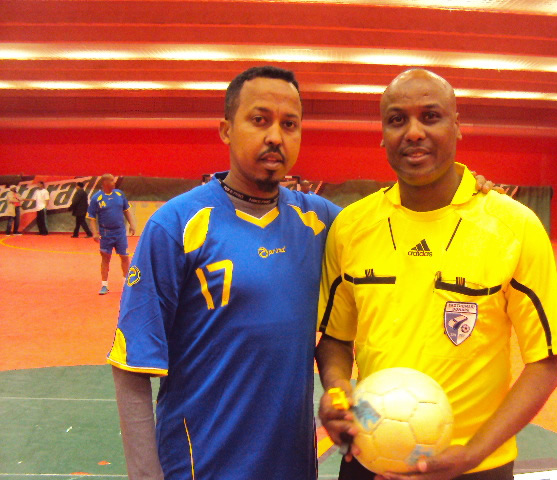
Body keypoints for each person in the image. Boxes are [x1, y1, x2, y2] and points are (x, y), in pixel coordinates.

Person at [107, 66, 496, 480]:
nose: (275, 136)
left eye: (289, 124)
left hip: (292, 466)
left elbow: (402, 222)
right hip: (200, 465)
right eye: (260, 120)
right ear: (226, 130)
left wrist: (461, 190)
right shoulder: (177, 225)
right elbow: (132, 365)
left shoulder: (324, 222)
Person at [315, 69, 557, 480]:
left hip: (475, 466)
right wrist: (336, 386)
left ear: (457, 126)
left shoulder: (514, 227)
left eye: (430, 116)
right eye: (397, 120)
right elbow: (335, 338)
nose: (414, 132)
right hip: (369, 455)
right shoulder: (350, 227)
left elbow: (547, 360)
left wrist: (473, 453)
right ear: (382, 135)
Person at [87, 174, 136, 295]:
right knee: (105, 258)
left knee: (124, 256)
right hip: (106, 233)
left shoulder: (119, 194)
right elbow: (91, 217)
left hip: (120, 232)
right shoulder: (96, 198)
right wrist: (94, 232)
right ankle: (104, 285)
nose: (114, 183)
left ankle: (126, 284)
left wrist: (132, 224)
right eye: (111, 181)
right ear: (105, 183)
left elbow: (126, 211)